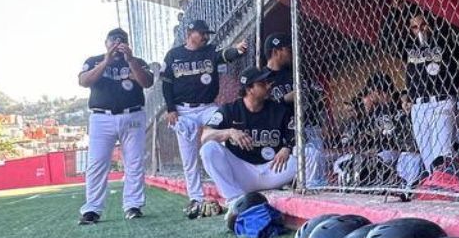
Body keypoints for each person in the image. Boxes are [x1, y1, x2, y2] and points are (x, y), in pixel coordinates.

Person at [160, 18, 247, 218]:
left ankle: (235, 186)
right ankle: (196, 197)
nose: (206, 36)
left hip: (208, 107)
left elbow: (224, 55)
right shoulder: (174, 55)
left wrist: (238, 49)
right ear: (190, 34)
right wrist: (170, 108)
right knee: (189, 156)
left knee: (226, 139)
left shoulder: (209, 50)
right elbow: (166, 83)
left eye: (207, 33)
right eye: (202, 33)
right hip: (183, 111)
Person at [76, 27, 154, 224]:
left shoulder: (137, 61)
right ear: (106, 43)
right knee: (97, 163)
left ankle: (133, 205)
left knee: (134, 162)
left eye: (121, 42)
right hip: (102, 117)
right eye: (113, 42)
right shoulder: (93, 60)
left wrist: (130, 60)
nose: (117, 46)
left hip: (133, 114)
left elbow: (147, 82)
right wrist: (106, 62)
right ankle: (92, 209)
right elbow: (84, 81)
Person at [199, 67, 297, 199]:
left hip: (273, 169)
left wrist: (287, 148)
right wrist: (230, 132)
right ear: (249, 89)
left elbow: (295, 135)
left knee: (308, 153)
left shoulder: (279, 110)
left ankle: (305, 187)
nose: (268, 86)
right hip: (242, 173)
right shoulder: (229, 110)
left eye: (268, 82)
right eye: (262, 84)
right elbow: (205, 137)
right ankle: (234, 199)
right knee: (208, 149)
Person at [262, 34, 328, 188]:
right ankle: (303, 188)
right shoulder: (262, 79)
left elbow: (318, 94)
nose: (291, 52)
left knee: (317, 163)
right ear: (276, 51)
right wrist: (284, 99)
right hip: (283, 133)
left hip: (309, 126)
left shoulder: (296, 73)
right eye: (287, 49)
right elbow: (262, 109)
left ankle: (311, 188)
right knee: (306, 159)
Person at [336, 76, 424, 186]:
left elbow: (404, 139)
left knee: (380, 159)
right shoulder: (378, 110)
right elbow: (371, 136)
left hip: (397, 151)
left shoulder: (397, 106)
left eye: (371, 92)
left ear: (377, 91)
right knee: (344, 162)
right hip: (380, 152)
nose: (370, 96)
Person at [403, 10, 459, 171]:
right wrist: (397, 9)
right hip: (419, 106)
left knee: (442, 155)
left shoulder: (444, 41)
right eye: (415, 27)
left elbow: (448, 27)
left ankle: (448, 188)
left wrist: (434, 31)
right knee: (427, 158)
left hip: (442, 101)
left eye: (423, 25)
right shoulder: (410, 48)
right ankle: (436, 187)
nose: (420, 30)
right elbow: (386, 39)